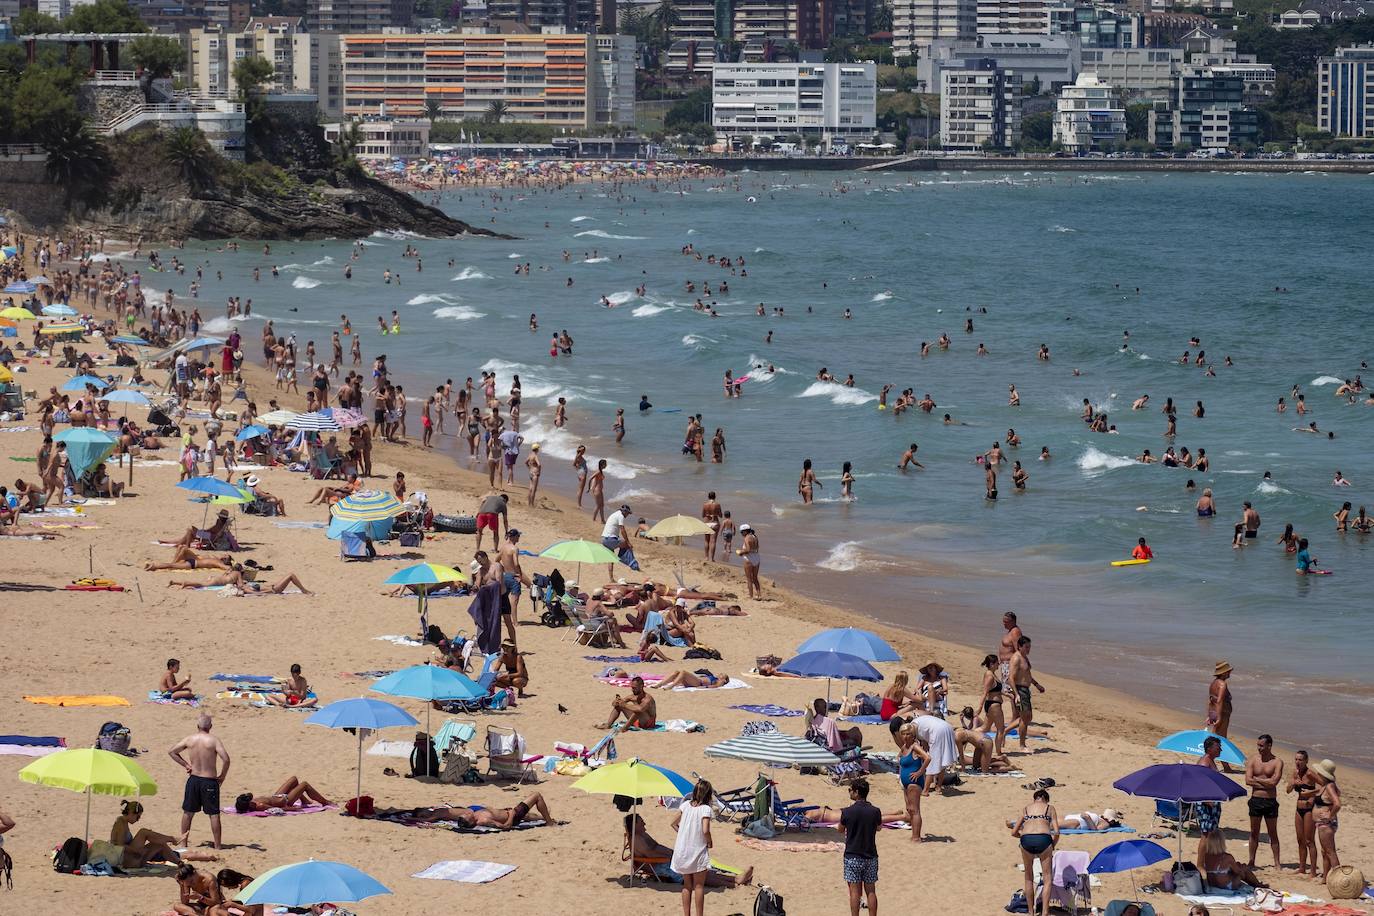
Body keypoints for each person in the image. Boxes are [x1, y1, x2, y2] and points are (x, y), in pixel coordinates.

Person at [623, 812, 753, 887]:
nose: (644, 823)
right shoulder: (636, 839)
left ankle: (735, 879)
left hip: (663, 861)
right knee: (697, 875)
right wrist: (670, 855)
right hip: (657, 866)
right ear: (634, 824)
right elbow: (650, 854)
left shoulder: (641, 834)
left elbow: (655, 848)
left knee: (700, 870)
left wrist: (673, 853)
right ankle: (733, 882)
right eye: (641, 822)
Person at [169, 715, 231, 850]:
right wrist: (222, 776)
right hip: (209, 781)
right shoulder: (213, 740)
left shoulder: (189, 739)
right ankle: (218, 845)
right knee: (213, 815)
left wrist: (186, 765)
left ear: (197, 726)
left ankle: (184, 843)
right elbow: (226, 759)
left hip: (194, 779)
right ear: (210, 727)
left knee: (188, 813)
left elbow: (172, 752)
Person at [111, 800, 212, 868]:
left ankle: (180, 864)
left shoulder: (124, 822)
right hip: (125, 861)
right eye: (137, 817)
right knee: (143, 832)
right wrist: (137, 851)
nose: (138, 820)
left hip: (132, 858)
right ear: (131, 813)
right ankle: (173, 839)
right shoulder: (120, 822)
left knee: (160, 844)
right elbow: (119, 846)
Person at [1011, 789, 1059, 916]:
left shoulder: (1026, 809)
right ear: (1046, 799)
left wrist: (1023, 836)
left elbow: (1013, 832)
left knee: (1028, 877)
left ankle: (1031, 912)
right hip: (1044, 839)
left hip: (1026, 840)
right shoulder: (1050, 808)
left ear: (1035, 799)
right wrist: (1052, 845)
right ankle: (1045, 912)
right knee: (1047, 878)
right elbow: (1057, 832)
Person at [671, 780, 715, 916]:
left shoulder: (685, 805)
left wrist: (684, 833)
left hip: (682, 850)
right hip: (697, 850)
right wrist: (709, 842)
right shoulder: (706, 809)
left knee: (687, 885)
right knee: (699, 886)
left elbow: (673, 823)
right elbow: (705, 830)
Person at [839, 778, 881, 916]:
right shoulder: (875, 811)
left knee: (855, 892)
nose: (849, 792)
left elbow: (840, 829)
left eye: (850, 790)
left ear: (857, 792)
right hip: (870, 855)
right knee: (871, 891)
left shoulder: (847, 811)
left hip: (853, 855)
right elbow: (879, 827)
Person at [399, 792, 560, 828]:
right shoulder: (483, 820)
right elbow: (505, 827)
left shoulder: (473, 815)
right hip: (511, 815)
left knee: (529, 816)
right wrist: (511, 815)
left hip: (499, 811)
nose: (466, 814)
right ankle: (549, 821)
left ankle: (543, 817)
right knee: (536, 795)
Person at [1244, 734, 1283, 869]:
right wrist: (1266, 782)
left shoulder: (1277, 762)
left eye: (1261, 745)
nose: (1259, 748)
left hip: (1270, 801)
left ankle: (1277, 863)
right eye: (1258, 745)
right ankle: (1251, 860)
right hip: (1256, 800)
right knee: (1254, 832)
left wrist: (1258, 780)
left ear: (1269, 746)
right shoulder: (1253, 760)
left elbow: (1274, 783)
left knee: (1273, 832)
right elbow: (1248, 780)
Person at [1007, 636, 1044, 751]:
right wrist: (1016, 694)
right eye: (1026, 647)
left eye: (1030, 647)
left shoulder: (1025, 658)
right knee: (1024, 718)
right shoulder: (1016, 658)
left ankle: (1005, 731)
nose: (1029, 649)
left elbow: (1027, 675)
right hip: (1020, 690)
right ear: (1020, 646)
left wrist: (1036, 684)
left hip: (1025, 690)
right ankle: (1022, 745)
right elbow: (1011, 678)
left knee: (1028, 717)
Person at [1287, 749, 1320, 877]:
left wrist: (1310, 794)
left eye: (1300, 760)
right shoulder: (1295, 773)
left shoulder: (1310, 774)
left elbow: (1324, 787)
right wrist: (1294, 783)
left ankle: (1312, 871)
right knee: (1300, 840)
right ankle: (1302, 867)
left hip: (1309, 809)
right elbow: (1288, 790)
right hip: (1298, 808)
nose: (1297, 762)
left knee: (1309, 840)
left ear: (1306, 761)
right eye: (1296, 759)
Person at [896, 722, 930, 843]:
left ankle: (916, 837)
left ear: (913, 735)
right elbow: (899, 759)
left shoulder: (915, 747)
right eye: (903, 734)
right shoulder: (904, 747)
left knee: (915, 810)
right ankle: (914, 834)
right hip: (905, 782)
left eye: (908, 734)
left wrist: (920, 772)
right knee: (909, 809)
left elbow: (927, 758)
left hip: (914, 783)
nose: (905, 736)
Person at [1199, 831, 1265, 891]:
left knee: (1236, 867)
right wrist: (1242, 867)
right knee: (1244, 870)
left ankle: (1257, 884)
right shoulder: (1227, 857)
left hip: (1212, 884)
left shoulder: (1205, 856)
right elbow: (1238, 871)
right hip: (1227, 885)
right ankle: (1258, 885)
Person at [1310, 757, 1341, 880]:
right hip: (1323, 823)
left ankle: (1339, 879)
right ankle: (1325, 878)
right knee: (1325, 851)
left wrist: (1330, 815)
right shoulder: (1326, 785)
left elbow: (1337, 803)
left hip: (1326, 824)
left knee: (1330, 852)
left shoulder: (1329, 786)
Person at [233, 776, 331, 813]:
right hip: (285, 800)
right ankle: (325, 802)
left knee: (294, 779)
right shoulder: (260, 806)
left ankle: (305, 800)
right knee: (305, 784)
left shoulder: (253, 803)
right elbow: (277, 809)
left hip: (277, 796)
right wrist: (292, 809)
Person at [601, 503, 639, 571]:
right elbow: (622, 530)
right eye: (627, 513)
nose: (627, 515)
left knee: (611, 559)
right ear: (624, 511)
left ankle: (611, 579)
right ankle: (631, 563)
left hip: (604, 539)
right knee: (626, 544)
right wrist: (628, 542)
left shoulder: (615, 514)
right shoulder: (620, 516)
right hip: (609, 539)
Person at [1207, 661, 1234, 738]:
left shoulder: (1213, 683)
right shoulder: (1222, 684)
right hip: (1221, 713)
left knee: (1216, 733)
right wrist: (1219, 717)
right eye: (1228, 671)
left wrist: (1209, 715)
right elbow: (1219, 700)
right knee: (1221, 737)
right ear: (1223, 673)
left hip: (1213, 711)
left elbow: (1210, 700)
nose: (1229, 673)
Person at [736, 523, 763, 600]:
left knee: (749, 579)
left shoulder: (747, 538)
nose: (741, 534)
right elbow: (757, 548)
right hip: (756, 557)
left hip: (749, 558)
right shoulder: (755, 537)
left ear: (745, 531)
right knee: (755, 578)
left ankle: (751, 596)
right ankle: (759, 595)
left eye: (741, 532)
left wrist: (741, 552)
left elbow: (747, 550)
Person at [650, 669, 729, 689]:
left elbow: (716, 686)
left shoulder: (720, 681)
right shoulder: (714, 677)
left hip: (698, 682)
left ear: (724, 680)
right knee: (676, 672)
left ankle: (671, 686)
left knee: (683, 672)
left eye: (722, 675)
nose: (720, 674)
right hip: (694, 681)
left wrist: (705, 687)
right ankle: (659, 685)